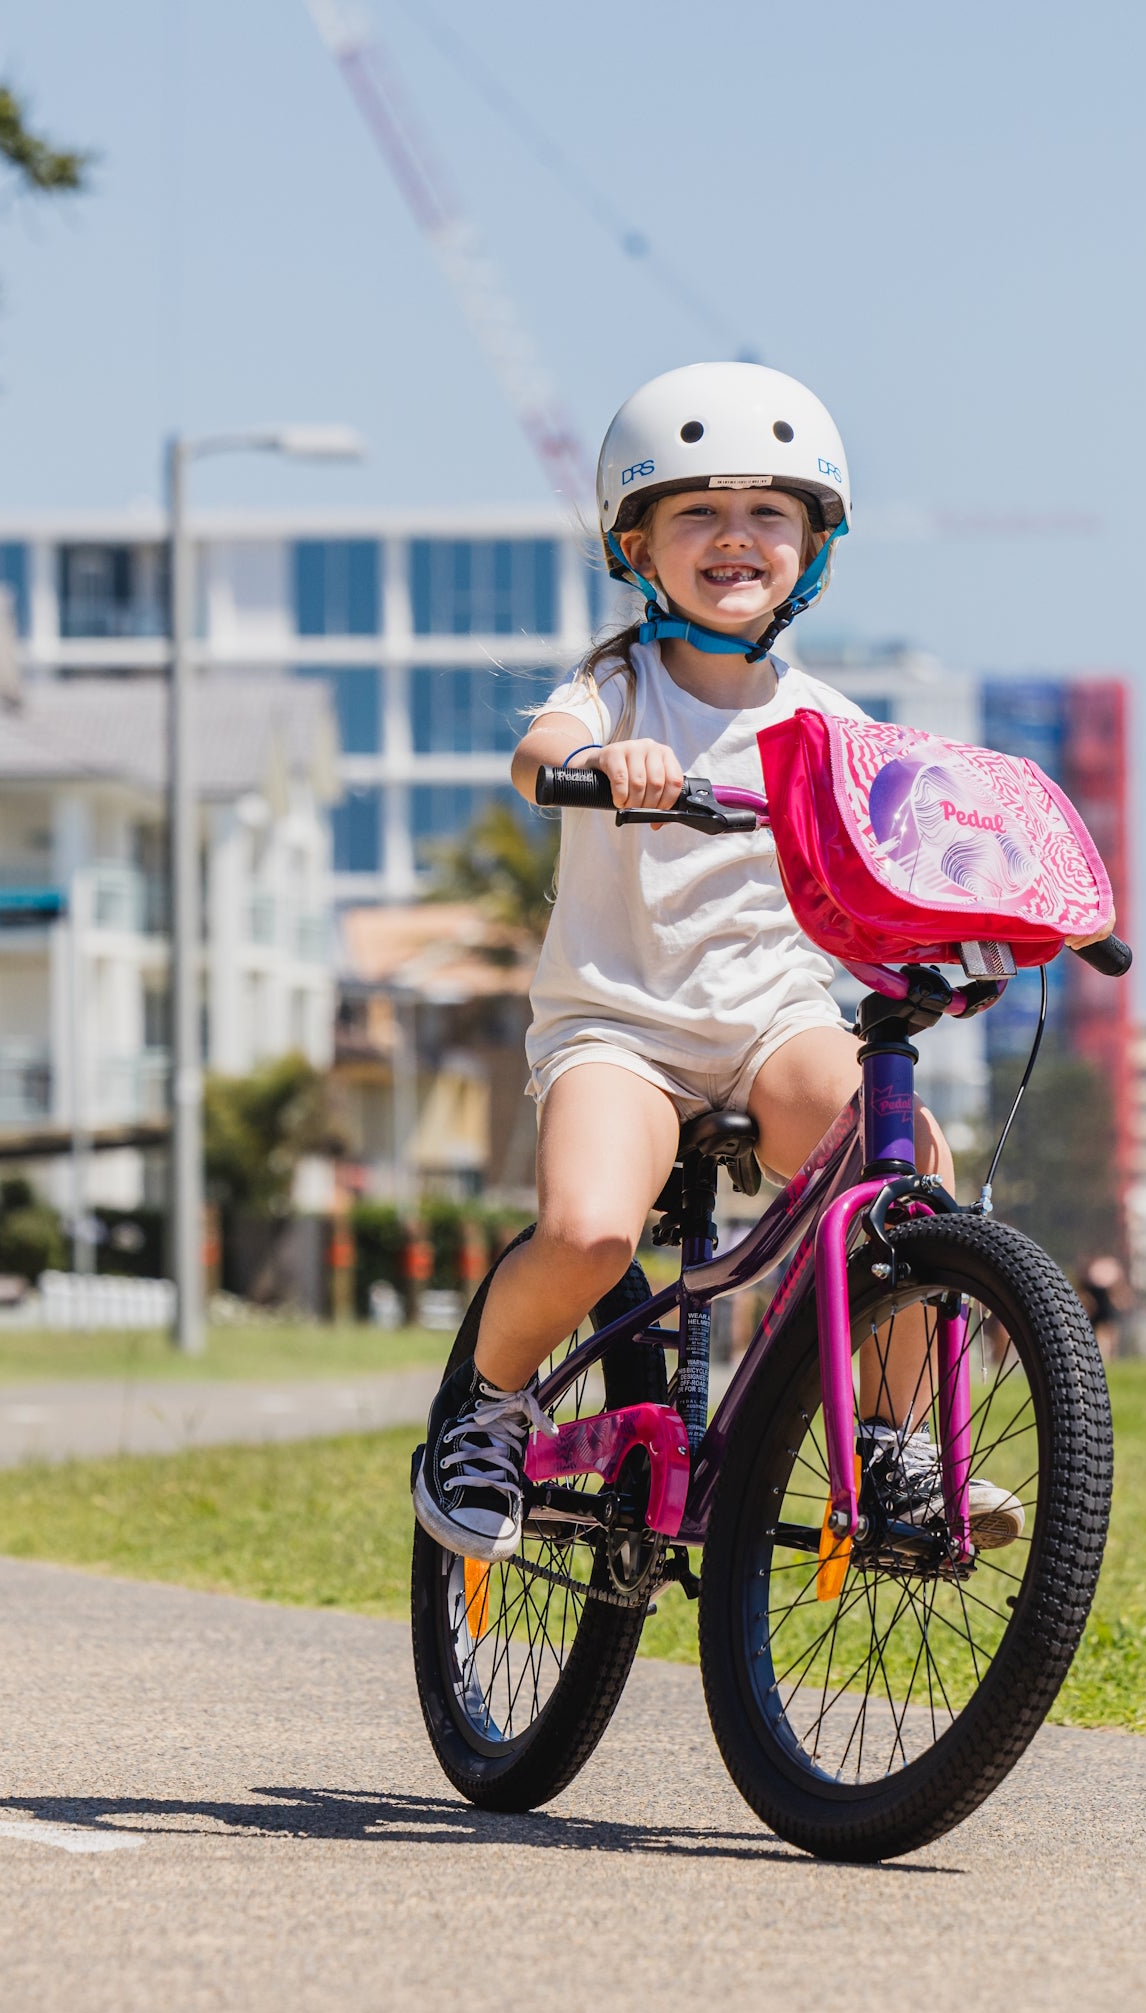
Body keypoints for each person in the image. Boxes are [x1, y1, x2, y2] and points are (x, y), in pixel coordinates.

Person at [412, 362, 1018, 1565]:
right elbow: (541, 756)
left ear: (812, 547)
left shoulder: (832, 722)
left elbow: (907, 839)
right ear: (635, 545)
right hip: (618, 1028)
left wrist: (979, 901)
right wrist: (608, 762)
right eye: (697, 512)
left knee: (904, 1177)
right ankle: (482, 1410)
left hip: (767, 1021)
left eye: (768, 515)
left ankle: (895, 1446)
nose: (734, 538)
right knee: (589, 1234)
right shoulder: (618, 686)